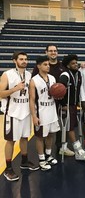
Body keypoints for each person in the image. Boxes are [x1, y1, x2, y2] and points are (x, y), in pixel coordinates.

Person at [0, 51, 39, 182]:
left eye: (26, 59)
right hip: (12, 113)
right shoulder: (7, 75)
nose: (24, 61)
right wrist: (15, 89)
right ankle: (8, 168)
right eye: (21, 59)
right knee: (11, 140)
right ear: (14, 60)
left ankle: (24, 161)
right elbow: (0, 93)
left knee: (24, 138)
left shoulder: (29, 75)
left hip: (26, 112)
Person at [32, 45, 73, 156]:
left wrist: (63, 103)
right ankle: (43, 154)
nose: (53, 53)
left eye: (55, 51)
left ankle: (60, 148)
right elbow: (34, 86)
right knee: (43, 132)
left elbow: (63, 86)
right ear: (46, 52)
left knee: (56, 129)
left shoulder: (62, 66)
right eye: (50, 51)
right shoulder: (38, 68)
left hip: (57, 102)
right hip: (42, 104)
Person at [59, 55, 85, 160]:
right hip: (67, 105)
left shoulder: (78, 74)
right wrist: (63, 104)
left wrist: (79, 101)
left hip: (73, 104)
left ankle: (64, 147)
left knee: (72, 126)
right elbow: (60, 90)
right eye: (73, 63)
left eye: (76, 62)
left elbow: (78, 89)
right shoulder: (65, 74)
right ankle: (78, 150)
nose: (76, 64)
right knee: (70, 127)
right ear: (68, 65)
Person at [29, 56, 60, 171]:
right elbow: (32, 99)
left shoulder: (52, 78)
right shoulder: (34, 80)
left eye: (48, 65)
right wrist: (34, 116)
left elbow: (54, 94)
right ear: (39, 66)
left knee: (51, 134)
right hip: (41, 112)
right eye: (45, 64)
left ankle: (48, 156)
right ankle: (41, 160)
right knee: (40, 137)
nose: (48, 66)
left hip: (52, 110)